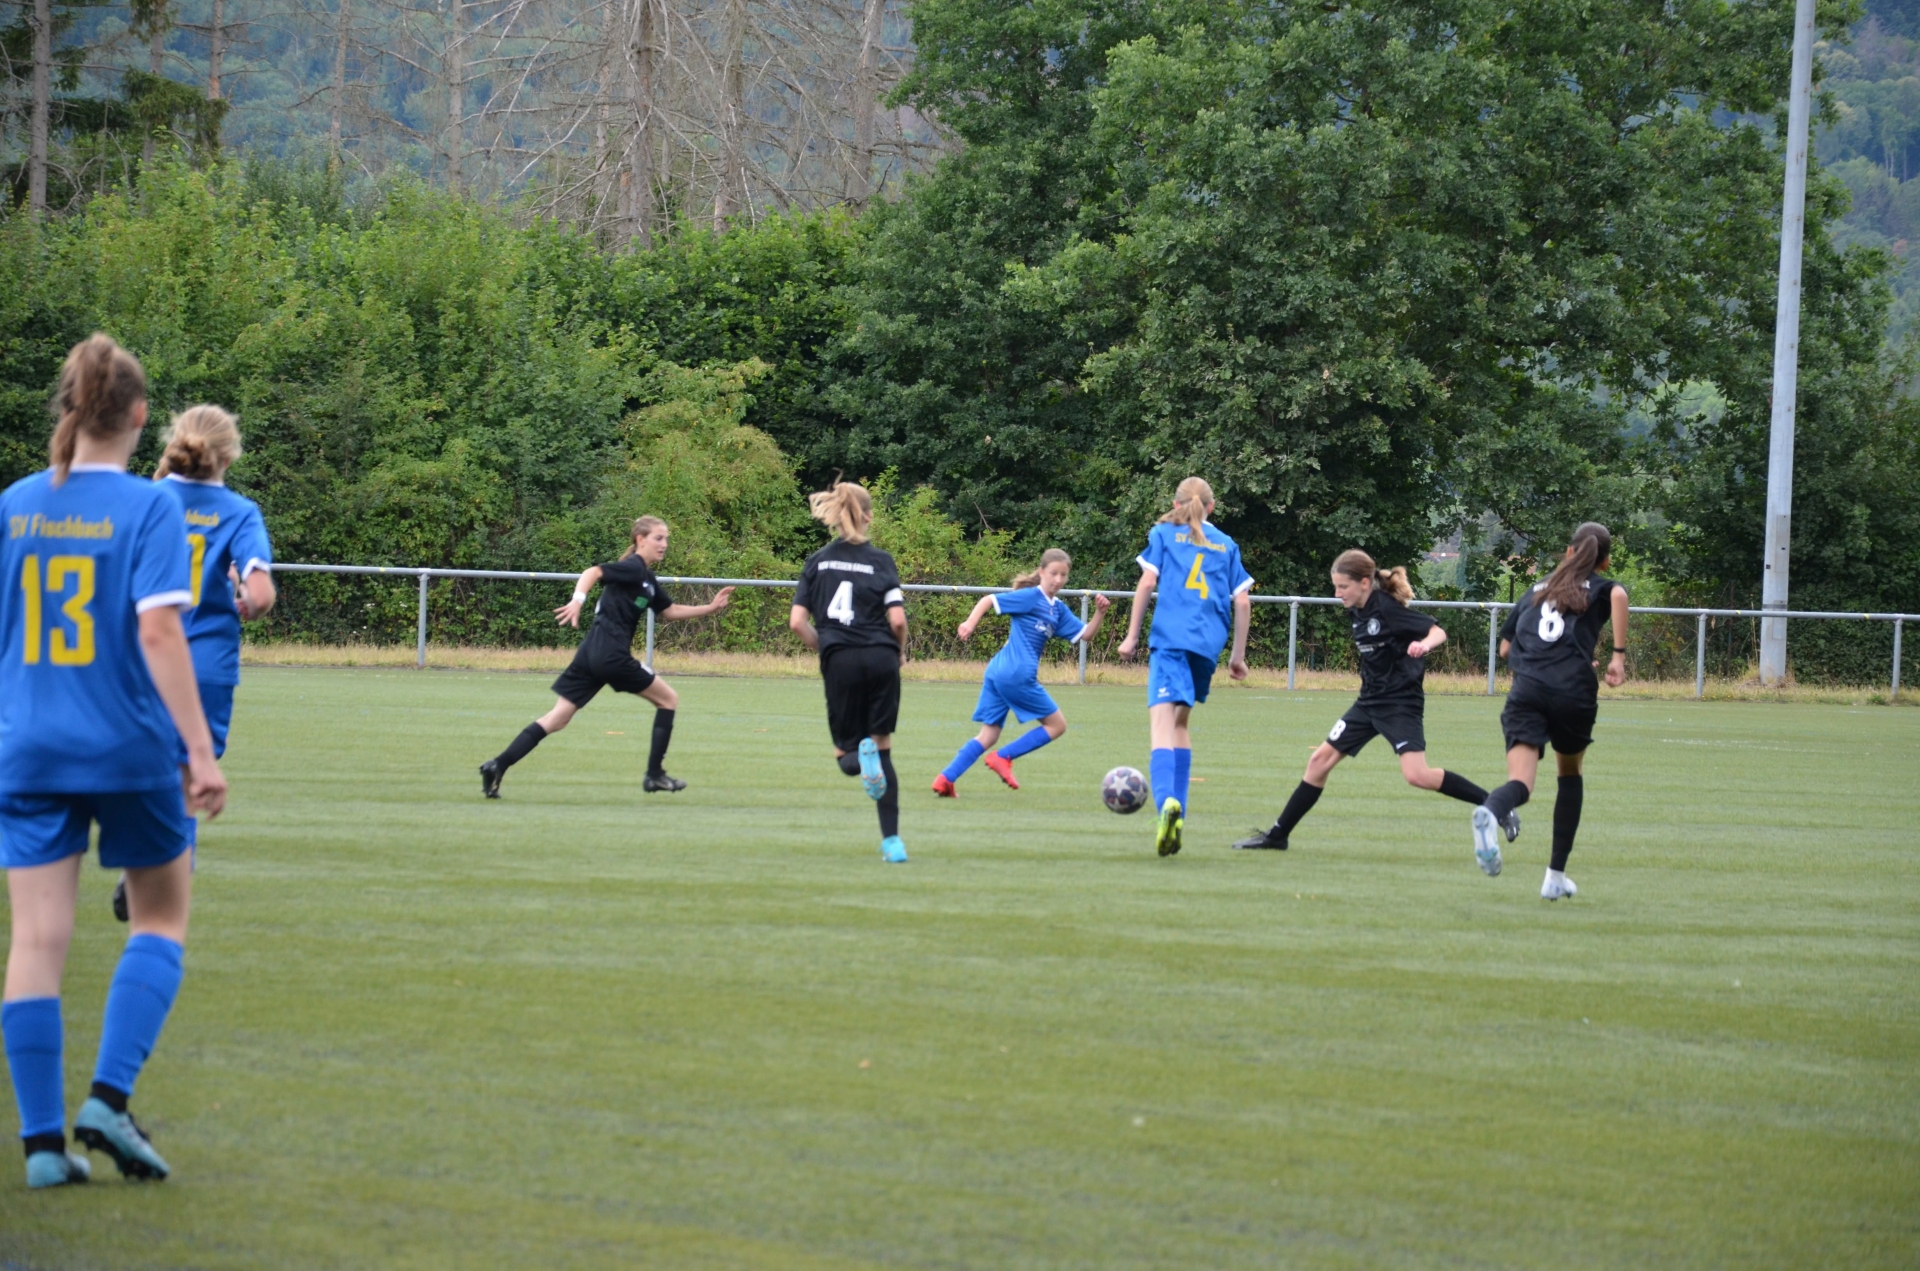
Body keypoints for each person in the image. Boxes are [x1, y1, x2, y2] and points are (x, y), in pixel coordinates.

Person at [1, 334, 228, 1189]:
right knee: (159, 917)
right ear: (139, 414)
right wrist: (199, 752)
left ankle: (41, 1147)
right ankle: (107, 1099)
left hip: (29, 749)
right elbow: (160, 631)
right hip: (129, 747)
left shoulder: (14, 505)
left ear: (68, 407)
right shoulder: (150, 507)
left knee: (36, 940)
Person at [110, 405, 276, 923]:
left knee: (140, 766)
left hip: (137, 656)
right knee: (186, 783)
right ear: (229, 455)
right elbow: (260, 595)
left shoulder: (144, 498)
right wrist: (244, 599)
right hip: (203, 664)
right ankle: (163, 894)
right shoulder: (239, 512)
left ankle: (137, 862)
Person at [1232, 549, 1503, 851]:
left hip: (1399, 704)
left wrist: (1424, 645)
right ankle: (1277, 836)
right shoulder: (1356, 608)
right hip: (1368, 703)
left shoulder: (1386, 609)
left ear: (1364, 583)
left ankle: (1495, 804)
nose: (1338, 594)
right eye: (1336, 587)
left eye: (1343, 587)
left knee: (1417, 775)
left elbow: (1437, 632)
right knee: (1319, 762)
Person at [478, 517, 733, 798]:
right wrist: (577, 600)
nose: (665, 544)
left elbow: (669, 611)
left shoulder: (646, 579)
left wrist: (709, 608)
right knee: (668, 700)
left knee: (557, 718)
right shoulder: (633, 567)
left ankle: (497, 765)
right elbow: (593, 571)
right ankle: (654, 775)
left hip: (590, 655)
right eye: (659, 538)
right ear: (640, 540)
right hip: (611, 656)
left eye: (666, 538)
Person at [1472, 522, 1629, 897]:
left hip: (1526, 691)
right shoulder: (1603, 586)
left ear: (1569, 551)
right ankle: (1555, 877)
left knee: (1521, 784)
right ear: (1604, 562)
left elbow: (1505, 649)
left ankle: (1490, 813)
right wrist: (1618, 657)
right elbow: (1619, 594)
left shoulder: (1537, 588)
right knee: (1569, 773)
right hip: (1572, 692)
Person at [1116, 477, 1253, 857]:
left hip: (1171, 639)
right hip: (1207, 645)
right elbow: (1243, 602)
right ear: (1211, 507)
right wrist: (1237, 657)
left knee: (1161, 725)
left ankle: (1166, 804)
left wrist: (1131, 636)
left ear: (1176, 505)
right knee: (1180, 724)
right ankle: (1180, 814)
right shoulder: (1226, 543)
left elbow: (1147, 583)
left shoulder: (1163, 533)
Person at [789, 481, 911, 863]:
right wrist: (899, 652)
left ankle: (860, 759)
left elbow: (797, 622)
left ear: (835, 516)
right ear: (868, 517)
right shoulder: (881, 560)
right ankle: (893, 843)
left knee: (846, 757)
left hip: (840, 659)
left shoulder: (817, 561)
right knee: (883, 748)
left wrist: (826, 648)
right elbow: (897, 620)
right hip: (881, 658)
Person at [933, 549, 1111, 796]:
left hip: (998, 671)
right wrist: (970, 623)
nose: (1058, 579)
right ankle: (1003, 757)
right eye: (1053, 573)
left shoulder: (1058, 609)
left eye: (1063, 575)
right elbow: (988, 600)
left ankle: (945, 779)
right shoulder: (1031, 597)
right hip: (1017, 674)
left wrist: (1100, 613)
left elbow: (1086, 634)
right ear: (1041, 572)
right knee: (1057, 725)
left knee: (989, 734)